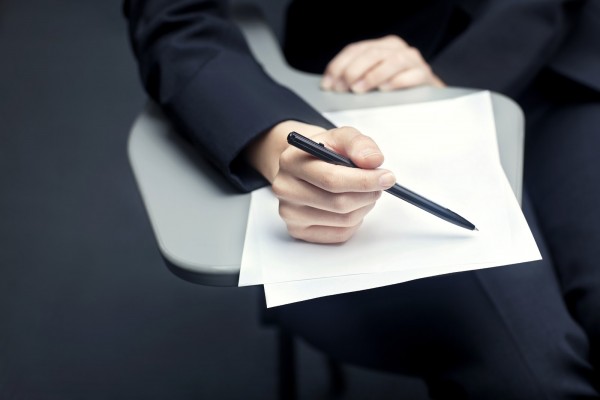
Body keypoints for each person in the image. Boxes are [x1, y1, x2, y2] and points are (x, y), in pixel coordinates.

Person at [124, 0, 600, 397]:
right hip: (356, 94)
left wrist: (455, 72)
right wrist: (271, 140)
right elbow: (175, 17)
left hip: (559, 69)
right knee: (531, 375)